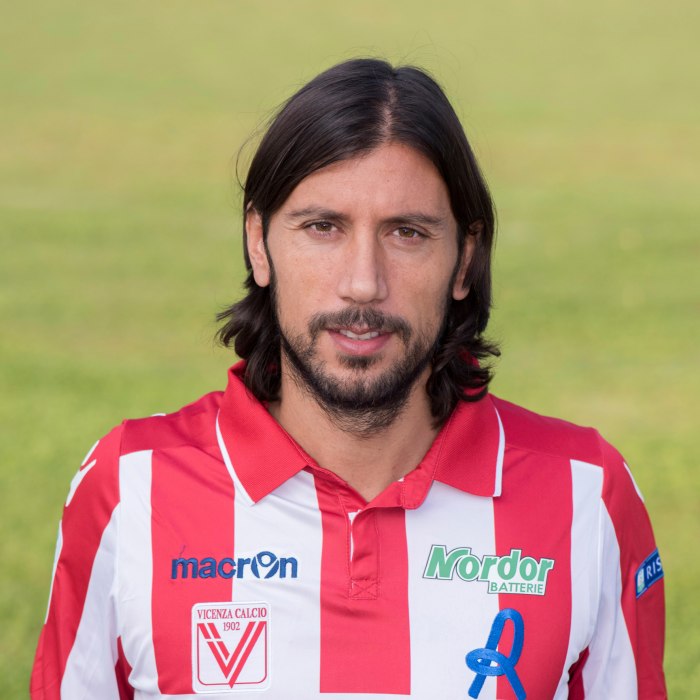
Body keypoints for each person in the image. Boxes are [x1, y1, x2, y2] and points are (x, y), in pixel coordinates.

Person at [31, 58, 666, 699]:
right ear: (258, 242)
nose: (363, 282)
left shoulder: (586, 494)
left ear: (465, 259)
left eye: (407, 233)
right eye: (323, 227)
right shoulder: (129, 488)